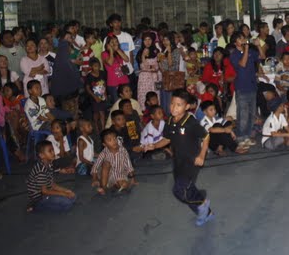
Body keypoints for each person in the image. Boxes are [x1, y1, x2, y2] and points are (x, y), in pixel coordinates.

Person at [143, 89, 214, 226]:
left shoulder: (190, 122)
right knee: (187, 189)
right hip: (177, 161)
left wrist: (201, 155)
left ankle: (202, 202)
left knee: (179, 191)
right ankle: (206, 212)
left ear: (187, 106)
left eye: (179, 105)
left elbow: (206, 136)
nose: (174, 107)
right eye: (172, 103)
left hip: (192, 162)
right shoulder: (170, 120)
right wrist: (154, 146)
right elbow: (167, 139)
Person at [26, 140, 76, 213]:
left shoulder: (49, 164)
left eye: (53, 150)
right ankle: (35, 207)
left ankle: (49, 202)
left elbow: (52, 184)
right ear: (41, 155)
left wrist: (66, 191)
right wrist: (64, 194)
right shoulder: (41, 170)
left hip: (46, 193)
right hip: (39, 198)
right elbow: (44, 191)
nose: (53, 152)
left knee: (73, 197)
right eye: (50, 151)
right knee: (67, 203)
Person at [229, 32, 259, 146]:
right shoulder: (234, 54)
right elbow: (242, 64)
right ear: (235, 42)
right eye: (240, 38)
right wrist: (246, 49)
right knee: (242, 114)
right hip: (242, 88)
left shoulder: (250, 51)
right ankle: (241, 138)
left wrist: (258, 46)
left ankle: (247, 136)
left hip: (252, 86)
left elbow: (261, 56)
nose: (243, 40)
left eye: (243, 38)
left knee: (251, 114)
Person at [92, 128, 136, 195]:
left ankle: (117, 185)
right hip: (107, 177)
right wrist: (94, 179)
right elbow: (95, 167)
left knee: (123, 184)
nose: (114, 141)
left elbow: (129, 166)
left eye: (115, 139)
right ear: (104, 144)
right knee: (106, 163)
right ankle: (103, 187)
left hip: (120, 175)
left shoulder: (123, 151)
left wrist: (133, 179)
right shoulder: (104, 153)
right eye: (109, 140)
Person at [102, 34, 130, 104]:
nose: (114, 44)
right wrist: (111, 51)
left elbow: (127, 59)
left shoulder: (120, 51)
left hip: (124, 81)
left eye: (116, 42)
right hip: (113, 83)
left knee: (127, 102)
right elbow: (110, 63)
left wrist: (117, 50)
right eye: (112, 42)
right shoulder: (104, 54)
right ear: (107, 44)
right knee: (117, 103)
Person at [136, 33, 161, 108]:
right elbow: (143, 66)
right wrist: (143, 56)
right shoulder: (140, 52)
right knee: (144, 95)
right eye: (145, 40)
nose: (147, 42)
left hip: (155, 77)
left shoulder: (156, 51)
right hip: (145, 78)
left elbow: (158, 66)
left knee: (156, 95)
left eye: (149, 39)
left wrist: (153, 67)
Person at [85, 57, 108, 134]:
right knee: (96, 113)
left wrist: (105, 93)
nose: (97, 68)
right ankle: (95, 124)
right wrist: (95, 97)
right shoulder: (89, 76)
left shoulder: (102, 73)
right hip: (94, 97)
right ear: (91, 67)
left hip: (102, 95)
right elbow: (88, 88)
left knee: (102, 112)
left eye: (98, 66)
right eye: (95, 66)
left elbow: (104, 83)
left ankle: (103, 128)